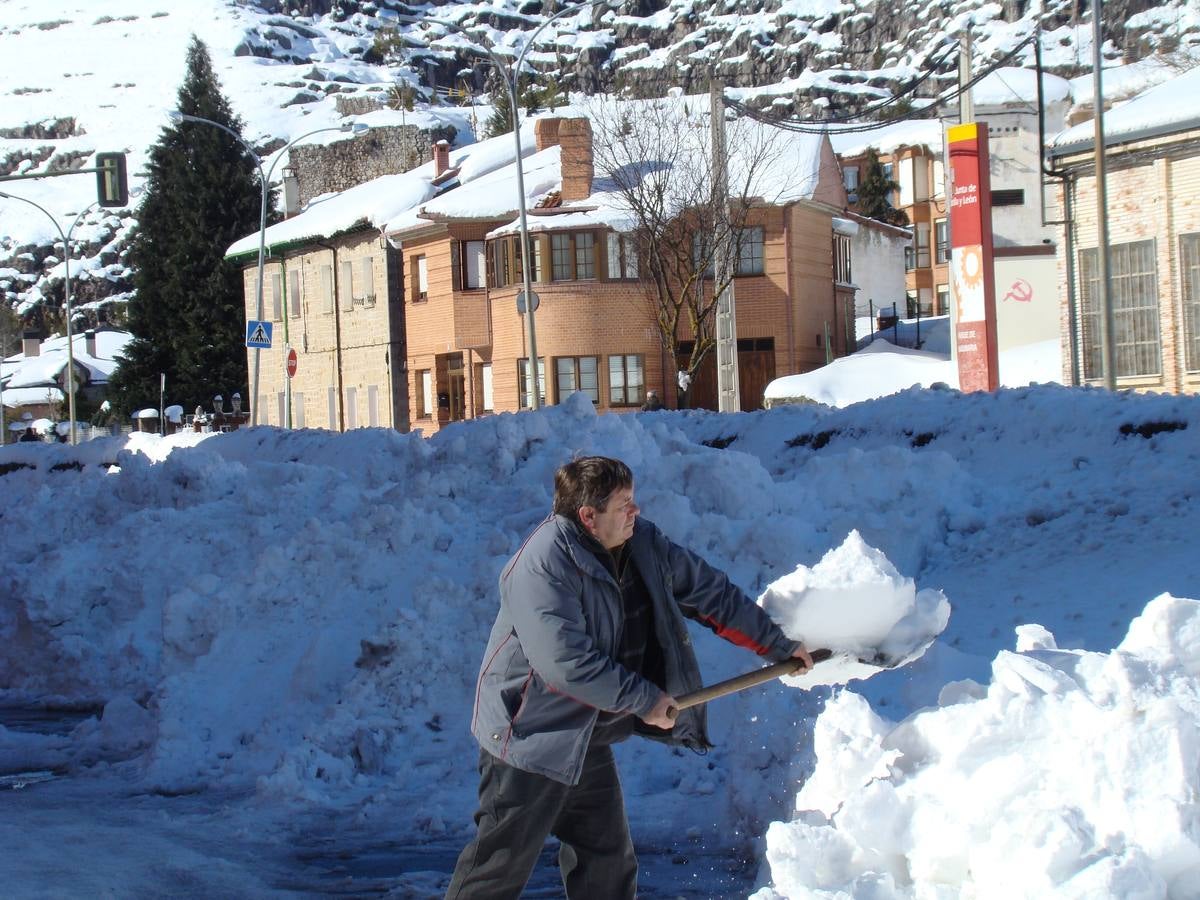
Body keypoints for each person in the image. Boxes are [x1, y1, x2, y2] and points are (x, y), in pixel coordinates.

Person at [446, 456, 813, 899]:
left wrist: (775, 644)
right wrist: (643, 699)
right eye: (624, 504)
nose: (635, 512)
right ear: (588, 516)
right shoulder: (542, 566)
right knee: (498, 869)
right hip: (529, 737)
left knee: (607, 866)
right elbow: (567, 664)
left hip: (586, 735)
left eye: (633, 501)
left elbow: (708, 591)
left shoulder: (643, 545)